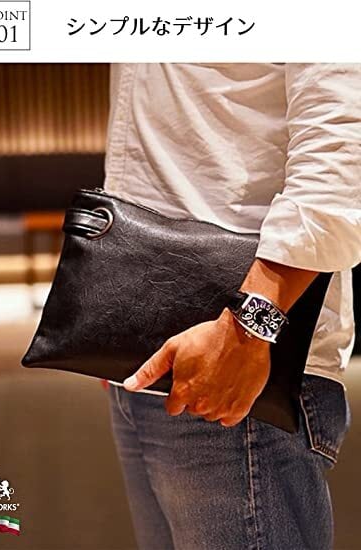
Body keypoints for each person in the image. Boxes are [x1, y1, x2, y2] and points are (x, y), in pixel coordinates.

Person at [101, 63, 361, 550]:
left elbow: (341, 147)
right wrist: (117, 316)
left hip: (244, 363)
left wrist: (249, 327)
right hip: (153, 353)